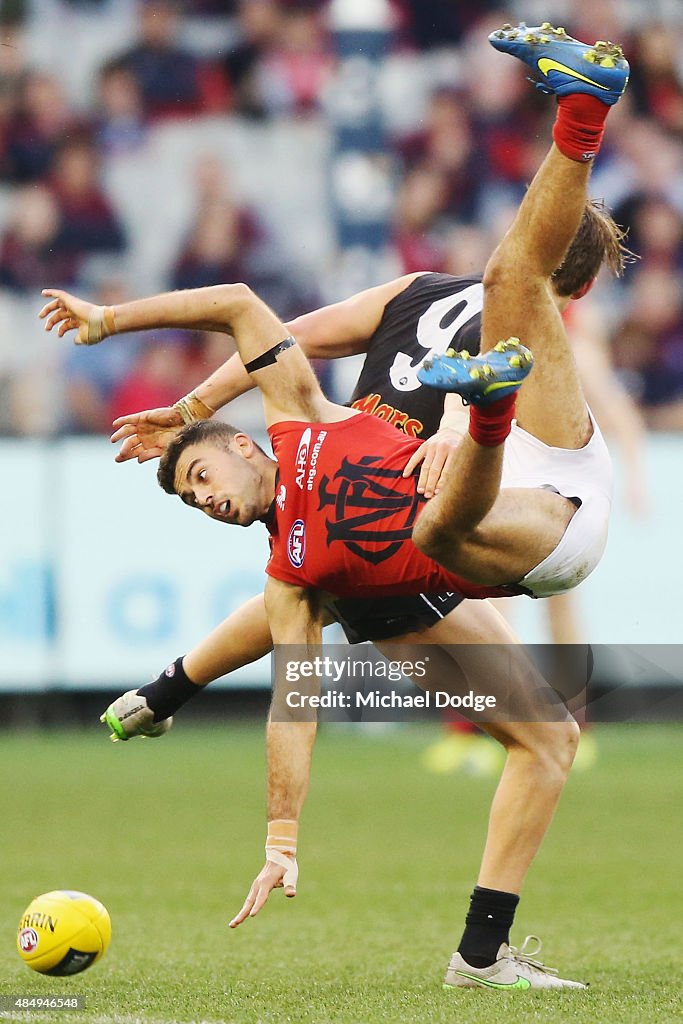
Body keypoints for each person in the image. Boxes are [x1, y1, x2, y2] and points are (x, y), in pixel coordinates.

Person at [41, 23, 630, 990]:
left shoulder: (354, 376)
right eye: (195, 499)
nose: (206, 503)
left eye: (199, 483)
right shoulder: (306, 456)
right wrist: (277, 831)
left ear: (238, 446)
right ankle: (479, 959)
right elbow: (290, 672)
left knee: (407, 523)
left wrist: (449, 415)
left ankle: (574, 123)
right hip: (433, 547)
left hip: (517, 502)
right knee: (541, 736)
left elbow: (268, 321)